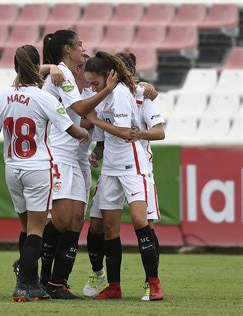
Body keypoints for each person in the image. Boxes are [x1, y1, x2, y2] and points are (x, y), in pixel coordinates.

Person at [0, 45, 89, 302]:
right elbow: (72, 130)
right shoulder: (44, 98)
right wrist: (86, 133)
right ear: (37, 68)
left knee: (24, 228)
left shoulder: (2, 96)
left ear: (15, 67)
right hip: (38, 168)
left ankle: (32, 284)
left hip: (12, 169)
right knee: (36, 230)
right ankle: (23, 284)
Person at [38, 29, 118, 299]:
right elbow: (83, 111)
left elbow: (83, 118)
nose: (84, 49)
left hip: (79, 156)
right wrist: (108, 89)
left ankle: (57, 283)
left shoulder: (74, 77)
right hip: (60, 153)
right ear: (67, 50)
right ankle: (30, 265)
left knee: (74, 221)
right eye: (79, 45)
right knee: (60, 219)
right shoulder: (60, 73)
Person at [83, 51, 163, 301]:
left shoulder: (118, 93)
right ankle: (114, 286)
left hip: (132, 164)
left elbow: (124, 132)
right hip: (110, 168)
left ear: (108, 75)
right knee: (108, 229)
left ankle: (154, 284)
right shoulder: (105, 94)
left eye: (95, 82)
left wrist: (95, 120)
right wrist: (98, 147)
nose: (92, 87)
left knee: (140, 221)